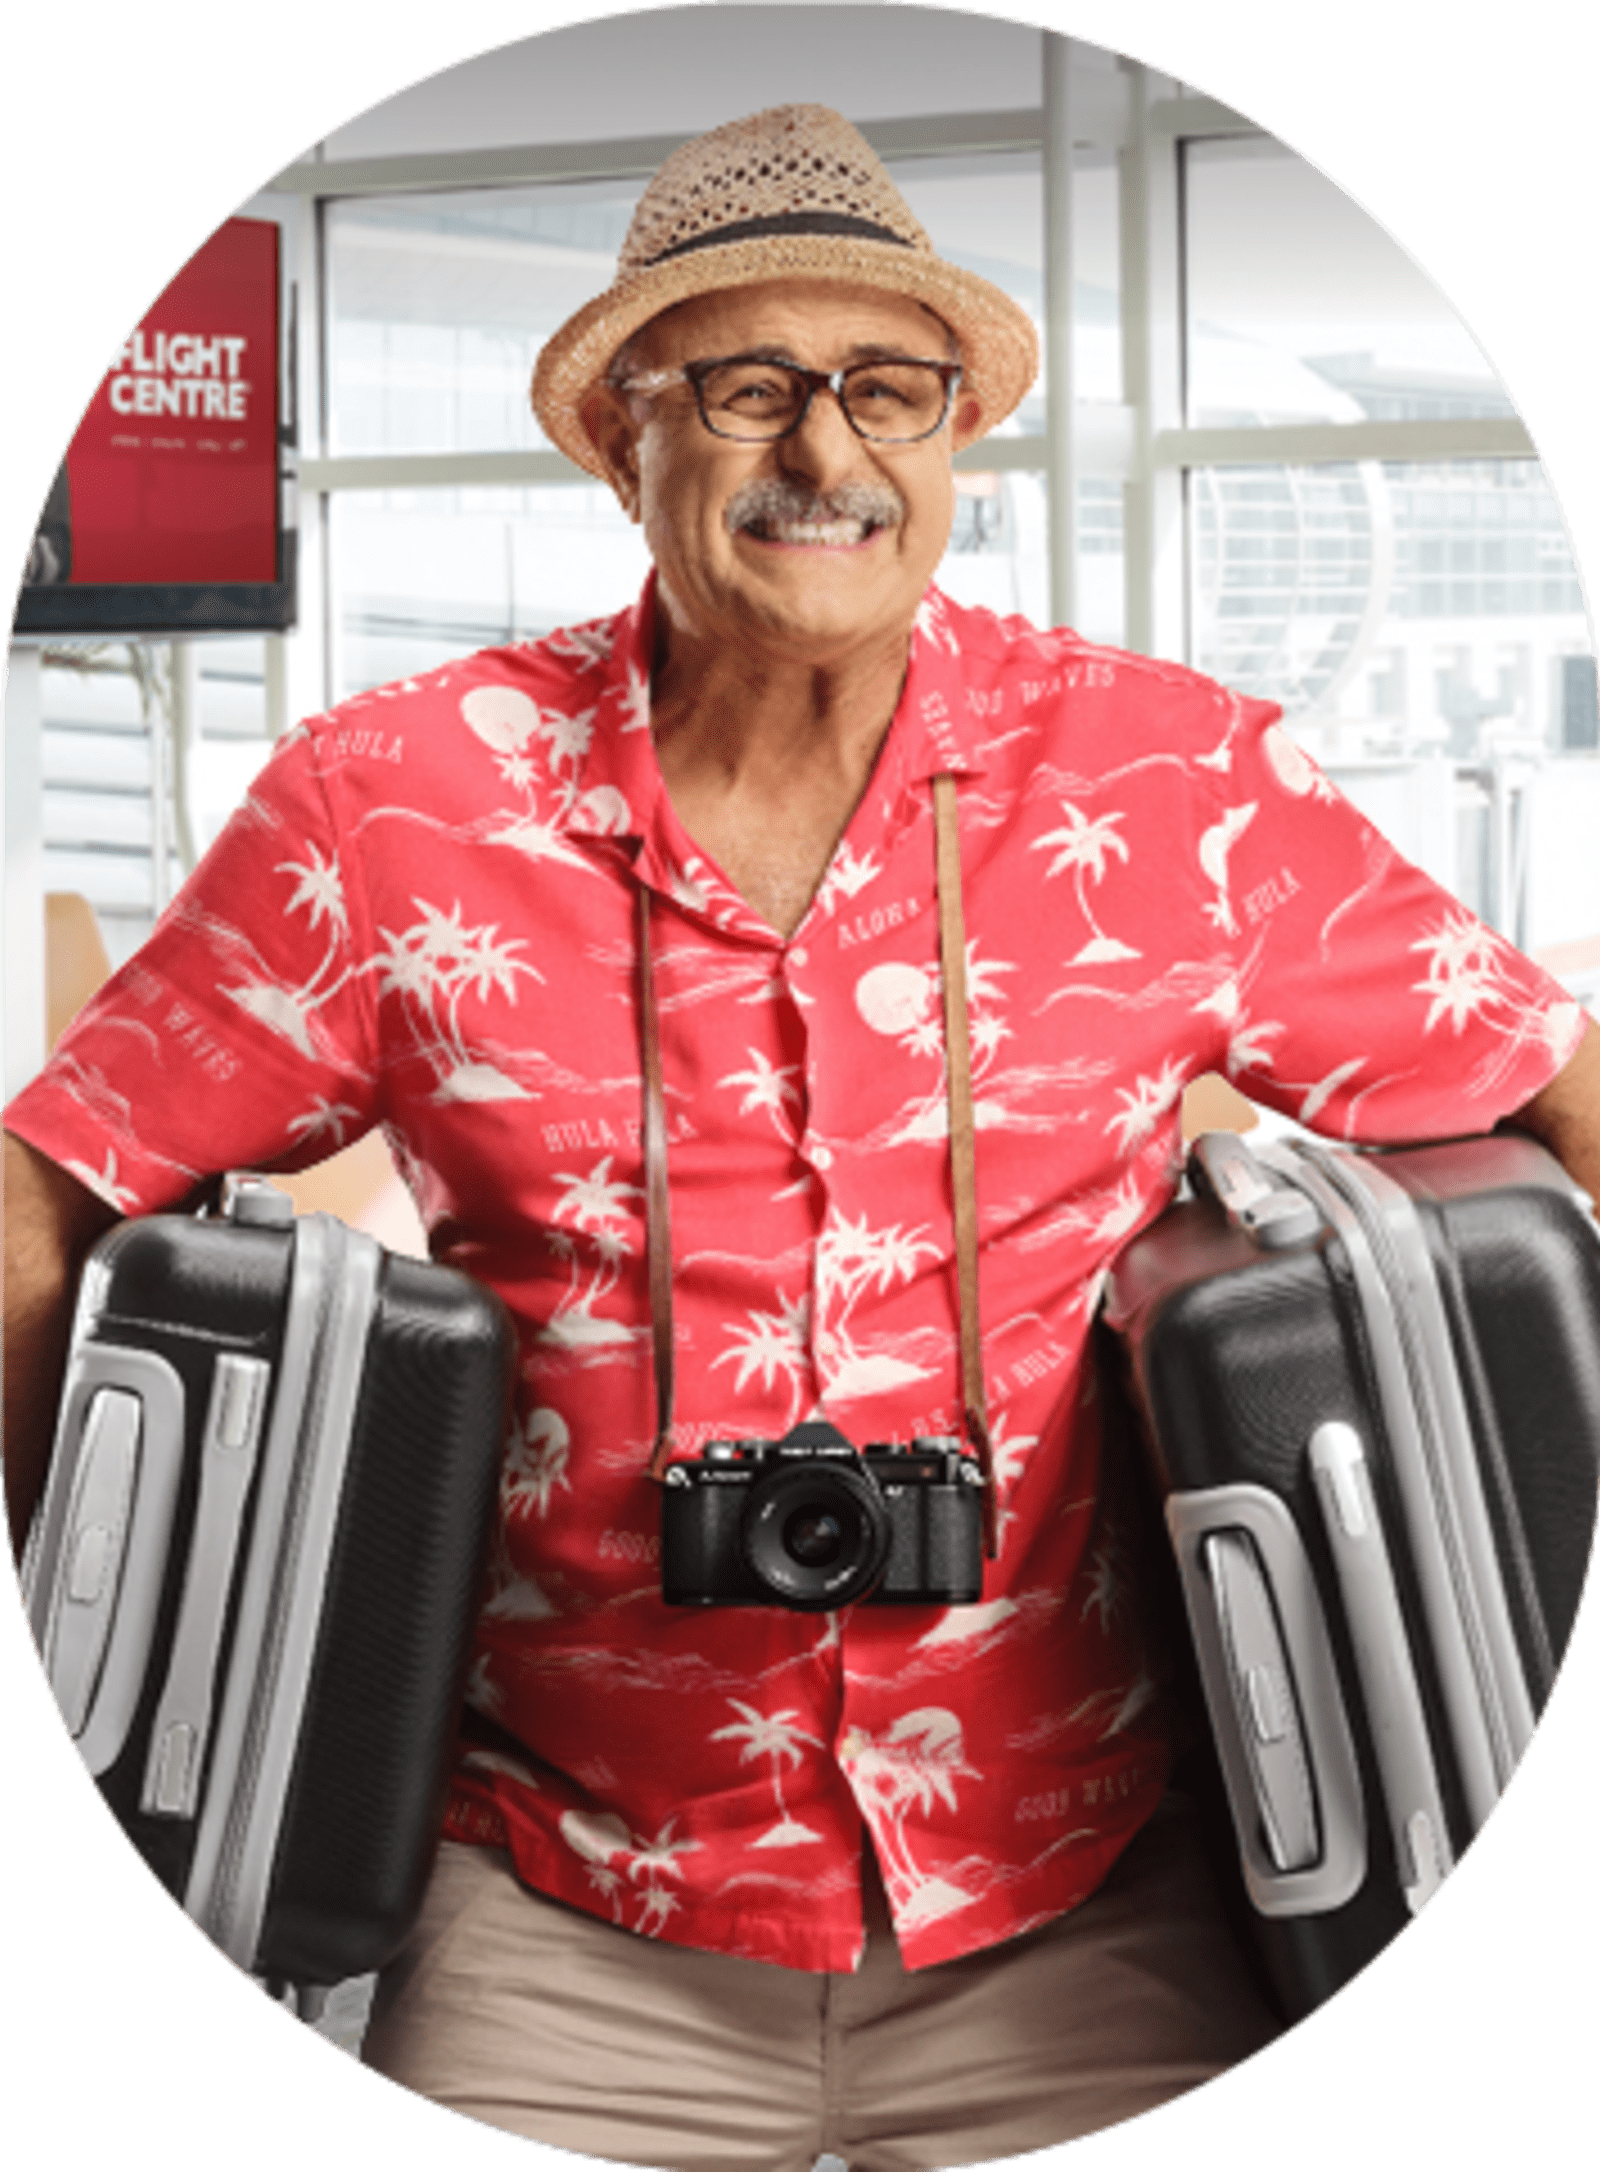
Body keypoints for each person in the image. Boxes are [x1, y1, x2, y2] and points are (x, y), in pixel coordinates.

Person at [5, 104, 1599, 2172]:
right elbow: (60, 1170)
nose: (825, 456)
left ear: (953, 437)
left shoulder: (1172, 779)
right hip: (552, 1903)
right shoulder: (387, 805)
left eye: (888, 390)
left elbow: (1535, 1067)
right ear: (618, 437)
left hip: (1093, 1901)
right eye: (746, 389)